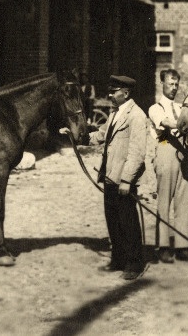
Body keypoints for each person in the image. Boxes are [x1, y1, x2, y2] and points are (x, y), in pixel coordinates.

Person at [67, 75, 148, 280]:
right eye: (110, 91)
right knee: (113, 220)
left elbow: (137, 153)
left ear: (126, 93)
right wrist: (78, 136)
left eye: (114, 91)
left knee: (128, 222)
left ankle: (134, 263)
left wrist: (127, 180)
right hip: (110, 176)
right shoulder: (115, 113)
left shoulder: (137, 116)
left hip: (123, 179)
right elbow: (101, 136)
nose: (110, 95)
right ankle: (118, 259)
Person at [147, 69, 188, 263]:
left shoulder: (182, 107)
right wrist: (184, 124)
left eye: (176, 85)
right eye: (170, 84)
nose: (174, 88)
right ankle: (163, 246)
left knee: (183, 200)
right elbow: (166, 123)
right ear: (162, 85)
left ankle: (182, 246)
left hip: (183, 154)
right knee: (164, 200)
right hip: (165, 150)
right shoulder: (155, 108)